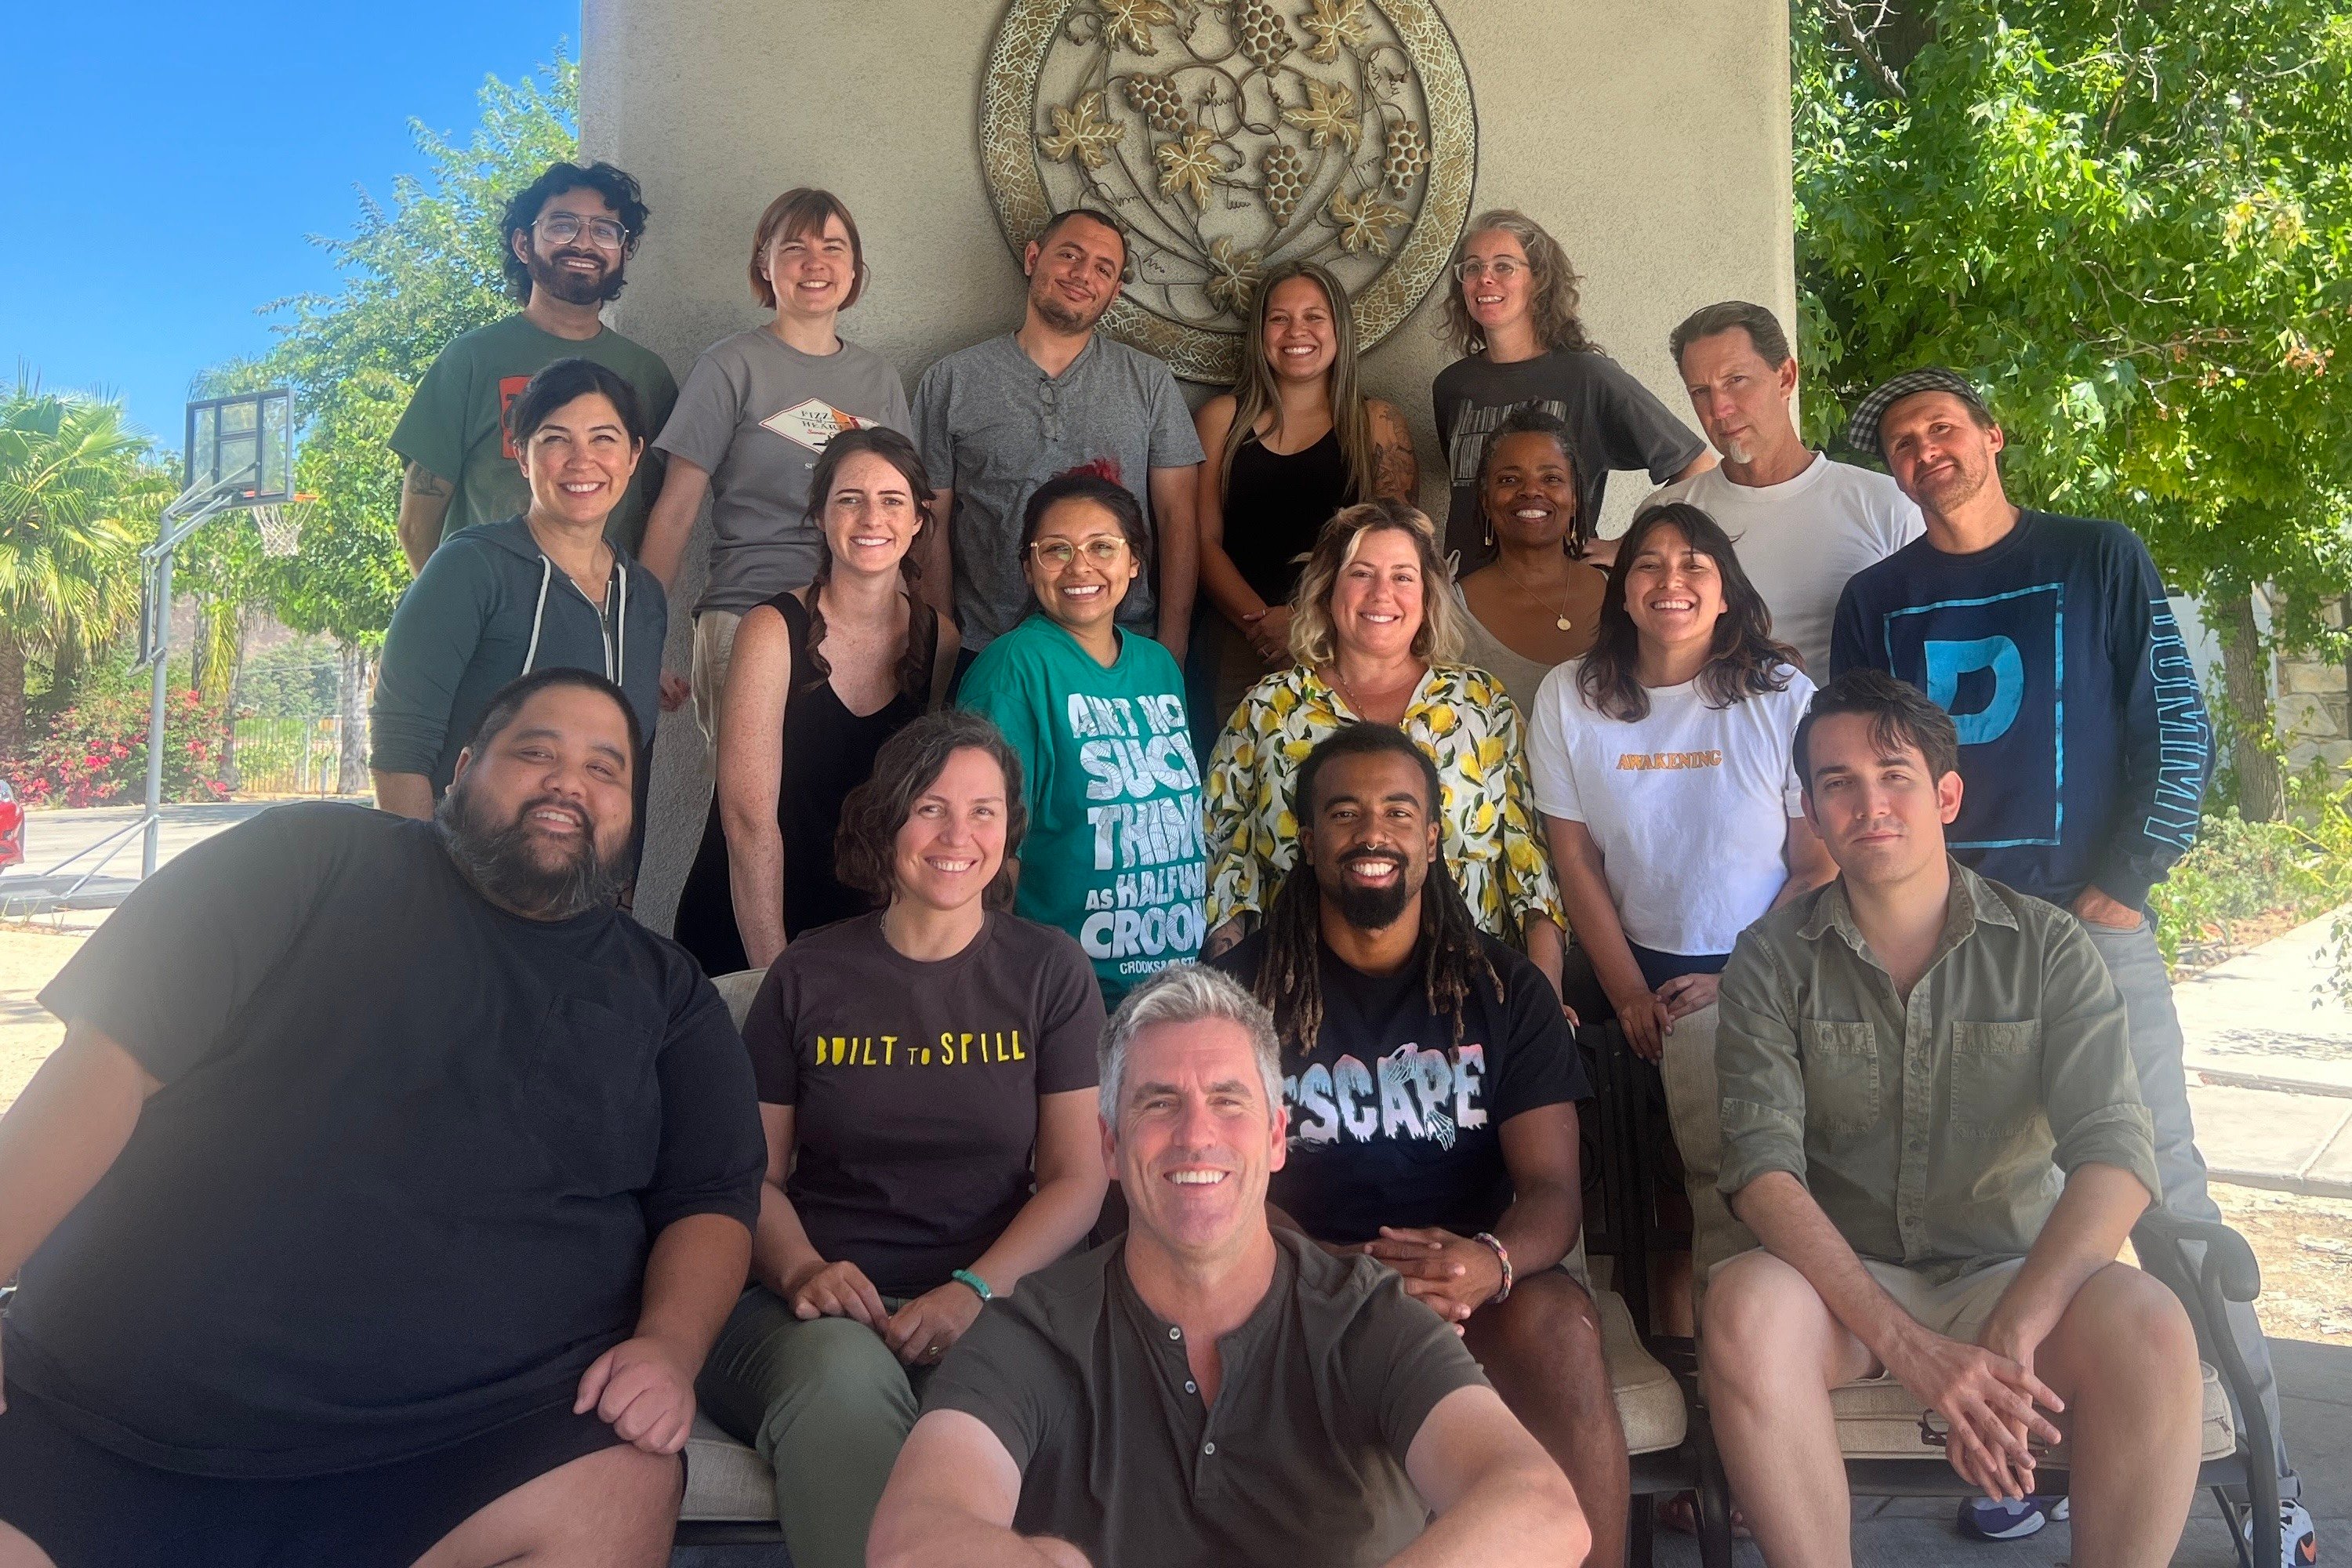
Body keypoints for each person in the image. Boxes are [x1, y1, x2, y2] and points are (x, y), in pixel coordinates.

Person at [0, 669, 764, 1568]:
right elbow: (102, 1072)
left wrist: (669, 1348)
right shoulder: (302, 858)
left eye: (606, 769)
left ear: (630, 817)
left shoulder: (669, 995)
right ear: (462, 770)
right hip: (115, 1405)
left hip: (464, 1450)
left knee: (626, 1480)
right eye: (536, 751)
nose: (570, 781)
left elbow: (712, 1197)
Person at [1830, 369, 2308, 1556]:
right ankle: (2012, 1467)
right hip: (1947, 955)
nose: (1926, 451)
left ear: (1993, 435)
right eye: (1903, 442)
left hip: (2090, 943)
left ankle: (2272, 1475)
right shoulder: (1875, 596)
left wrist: (2130, 880)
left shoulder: (2099, 555)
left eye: (1944, 429)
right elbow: (1855, 757)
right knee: (1979, 1203)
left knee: (2165, 1194)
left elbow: (2177, 722)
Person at [1701, 669, 2204, 1568]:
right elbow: (1760, 1171)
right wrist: (1913, 1348)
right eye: (1838, 782)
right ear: (1812, 813)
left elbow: (2117, 1154)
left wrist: (2013, 1329)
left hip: (2014, 1272)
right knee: (1742, 1302)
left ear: (1947, 794)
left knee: (2155, 1323)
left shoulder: (2050, 947)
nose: (1869, 802)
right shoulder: (1771, 960)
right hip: (1844, 1289)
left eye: (1895, 773)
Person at [866, 964, 1589, 1568]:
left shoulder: (1367, 1316)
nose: (1196, 1136)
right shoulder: (1036, 1332)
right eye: (1159, 1103)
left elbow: (1543, 1509)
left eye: (1227, 1101)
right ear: (1109, 1148)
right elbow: (911, 1538)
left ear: (1277, 1137)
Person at [698, 710, 1109, 1568]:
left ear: (1009, 830)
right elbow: (749, 1177)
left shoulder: (1050, 970)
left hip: (989, 1296)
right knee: (844, 1388)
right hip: (809, 1309)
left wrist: (972, 1292)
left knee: (1032, 1404)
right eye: (931, 806)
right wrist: (805, 1269)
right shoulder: (807, 974)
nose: (960, 833)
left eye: (985, 810)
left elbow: (1077, 1178)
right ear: (886, 820)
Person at [1213, 724, 1628, 1568]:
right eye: (1345, 812)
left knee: (1561, 1325)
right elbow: (1219, 1188)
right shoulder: (1237, 990)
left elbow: (1552, 1190)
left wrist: (1489, 1262)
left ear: (1434, 837)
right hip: (1298, 1279)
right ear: (1307, 836)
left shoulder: (1507, 989)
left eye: (1399, 811)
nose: (1374, 833)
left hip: (1472, 1288)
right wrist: (1338, 1268)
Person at [1202, 499, 1567, 989]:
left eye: (1402, 576)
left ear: (1428, 595)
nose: (1381, 594)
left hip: (1466, 995)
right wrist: (1227, 1000)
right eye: (1361, 573)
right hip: (1299, 992)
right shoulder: (1271, 709)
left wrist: (1545, 1000)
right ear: (1328, 589)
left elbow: (1531, 865)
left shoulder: (1482, 706)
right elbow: (1226, 859)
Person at [1529, 500, 1835, 1062]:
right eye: (1648, 565)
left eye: (1694, 565)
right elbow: (1574, 858)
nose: (1671, 580)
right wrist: (1628, 995)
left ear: (1725, 597)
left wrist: (1742, 979)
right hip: (1620, 964)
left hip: (1769, 964)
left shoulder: (1785, 696)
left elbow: (1817, 867)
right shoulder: (1568, 696)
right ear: (1622, 592)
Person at [637, 188, 913, 768]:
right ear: (765, 264)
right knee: (756, 816)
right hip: (749, 613)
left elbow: (903, 516)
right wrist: (636, 642)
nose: (815, 263)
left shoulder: (879, 378)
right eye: (795, 247)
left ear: (855, 268)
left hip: (865, 623)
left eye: (833, 247)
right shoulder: (728, 366)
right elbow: (676, 509)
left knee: (864, 810)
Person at [670, 428, 956, 975]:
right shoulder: (770, 629)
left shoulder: (938, 639)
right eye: (850, 499)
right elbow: (748, 820)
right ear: (821, 516)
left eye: (892, 500)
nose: (872, 518)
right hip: (751, 926)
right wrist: (774, 976)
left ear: (918, 520)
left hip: (862, 936)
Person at [372, 358, 668, 819]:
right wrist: (421, 878)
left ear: (633, 456)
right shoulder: (469, 567)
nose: (581, 460)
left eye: (603, 439)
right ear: (522, 453)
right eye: (555, 439)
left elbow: (629, 770)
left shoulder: (644, 597)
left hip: (585, 887)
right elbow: (399, 746)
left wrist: (621, 889)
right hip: (465, 872)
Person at [913, 207, 1205, 667]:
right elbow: (932, 520)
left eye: (1103, 269)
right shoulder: (951, 380)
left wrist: (1172, 645)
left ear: (1115, 292)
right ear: (1033, 258)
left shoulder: (1149, 382)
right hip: (987, 647)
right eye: (1070, 255)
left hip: (1121, 648)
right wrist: (941, 636)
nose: (1083, 275)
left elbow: (1177, 519)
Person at [957, 469, 1203, 1006]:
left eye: (1102, 547)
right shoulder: (1014, 668)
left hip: (1175, 994)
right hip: (1069, 997)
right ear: (1028, 566)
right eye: (1056, 550)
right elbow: (988, 847)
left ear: (1135, 561)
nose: (1080, 567)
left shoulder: (1158, 665)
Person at [392, 160, 678, 572]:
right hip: (492, 620)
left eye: (604, 230)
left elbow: (662, 517)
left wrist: (639, 617)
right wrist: (455, 613)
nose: (584, 243)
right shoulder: (470, 360)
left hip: (602, 622)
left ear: (625, 251)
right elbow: (417, 521)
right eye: (562, 226)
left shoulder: (647, 374)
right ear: (523, 245)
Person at [1191, 261, 1417, 733]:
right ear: (1260, 332)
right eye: (1279, 318)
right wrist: (1263, 625)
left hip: (1346, 640)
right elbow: (1201, 541)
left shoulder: (1376, 423)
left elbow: (1397, 544)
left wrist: (1303, 620)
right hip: (1238, 640)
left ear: (1339, 330)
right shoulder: (1220, 420)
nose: (1297, 331)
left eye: (1314, 317)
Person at [1644, 301, 1920, 677]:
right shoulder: (1668, 514)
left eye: (1735, 381)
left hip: (1843, 729)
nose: (1719, 408)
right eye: (1700, 391)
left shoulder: (1886, 505)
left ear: (1786, 377)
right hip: (1711, 733)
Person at [1432, 209, 1710, 570]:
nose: (1485, 278)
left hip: (1564, 599)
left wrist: (1629, 545)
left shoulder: (1587, 377)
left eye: (1503, 266)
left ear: (1539, 281)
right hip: (1464, 601)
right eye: (1472, 267)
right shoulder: (1452, 386)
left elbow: (1697, 466)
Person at [1453, 407, 1610, 710]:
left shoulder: (1623, 595)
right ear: (1485, 501)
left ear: (1574, 498)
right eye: (1509, 480)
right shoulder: (1452, 614)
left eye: (1551, 478)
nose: (1531, 491)